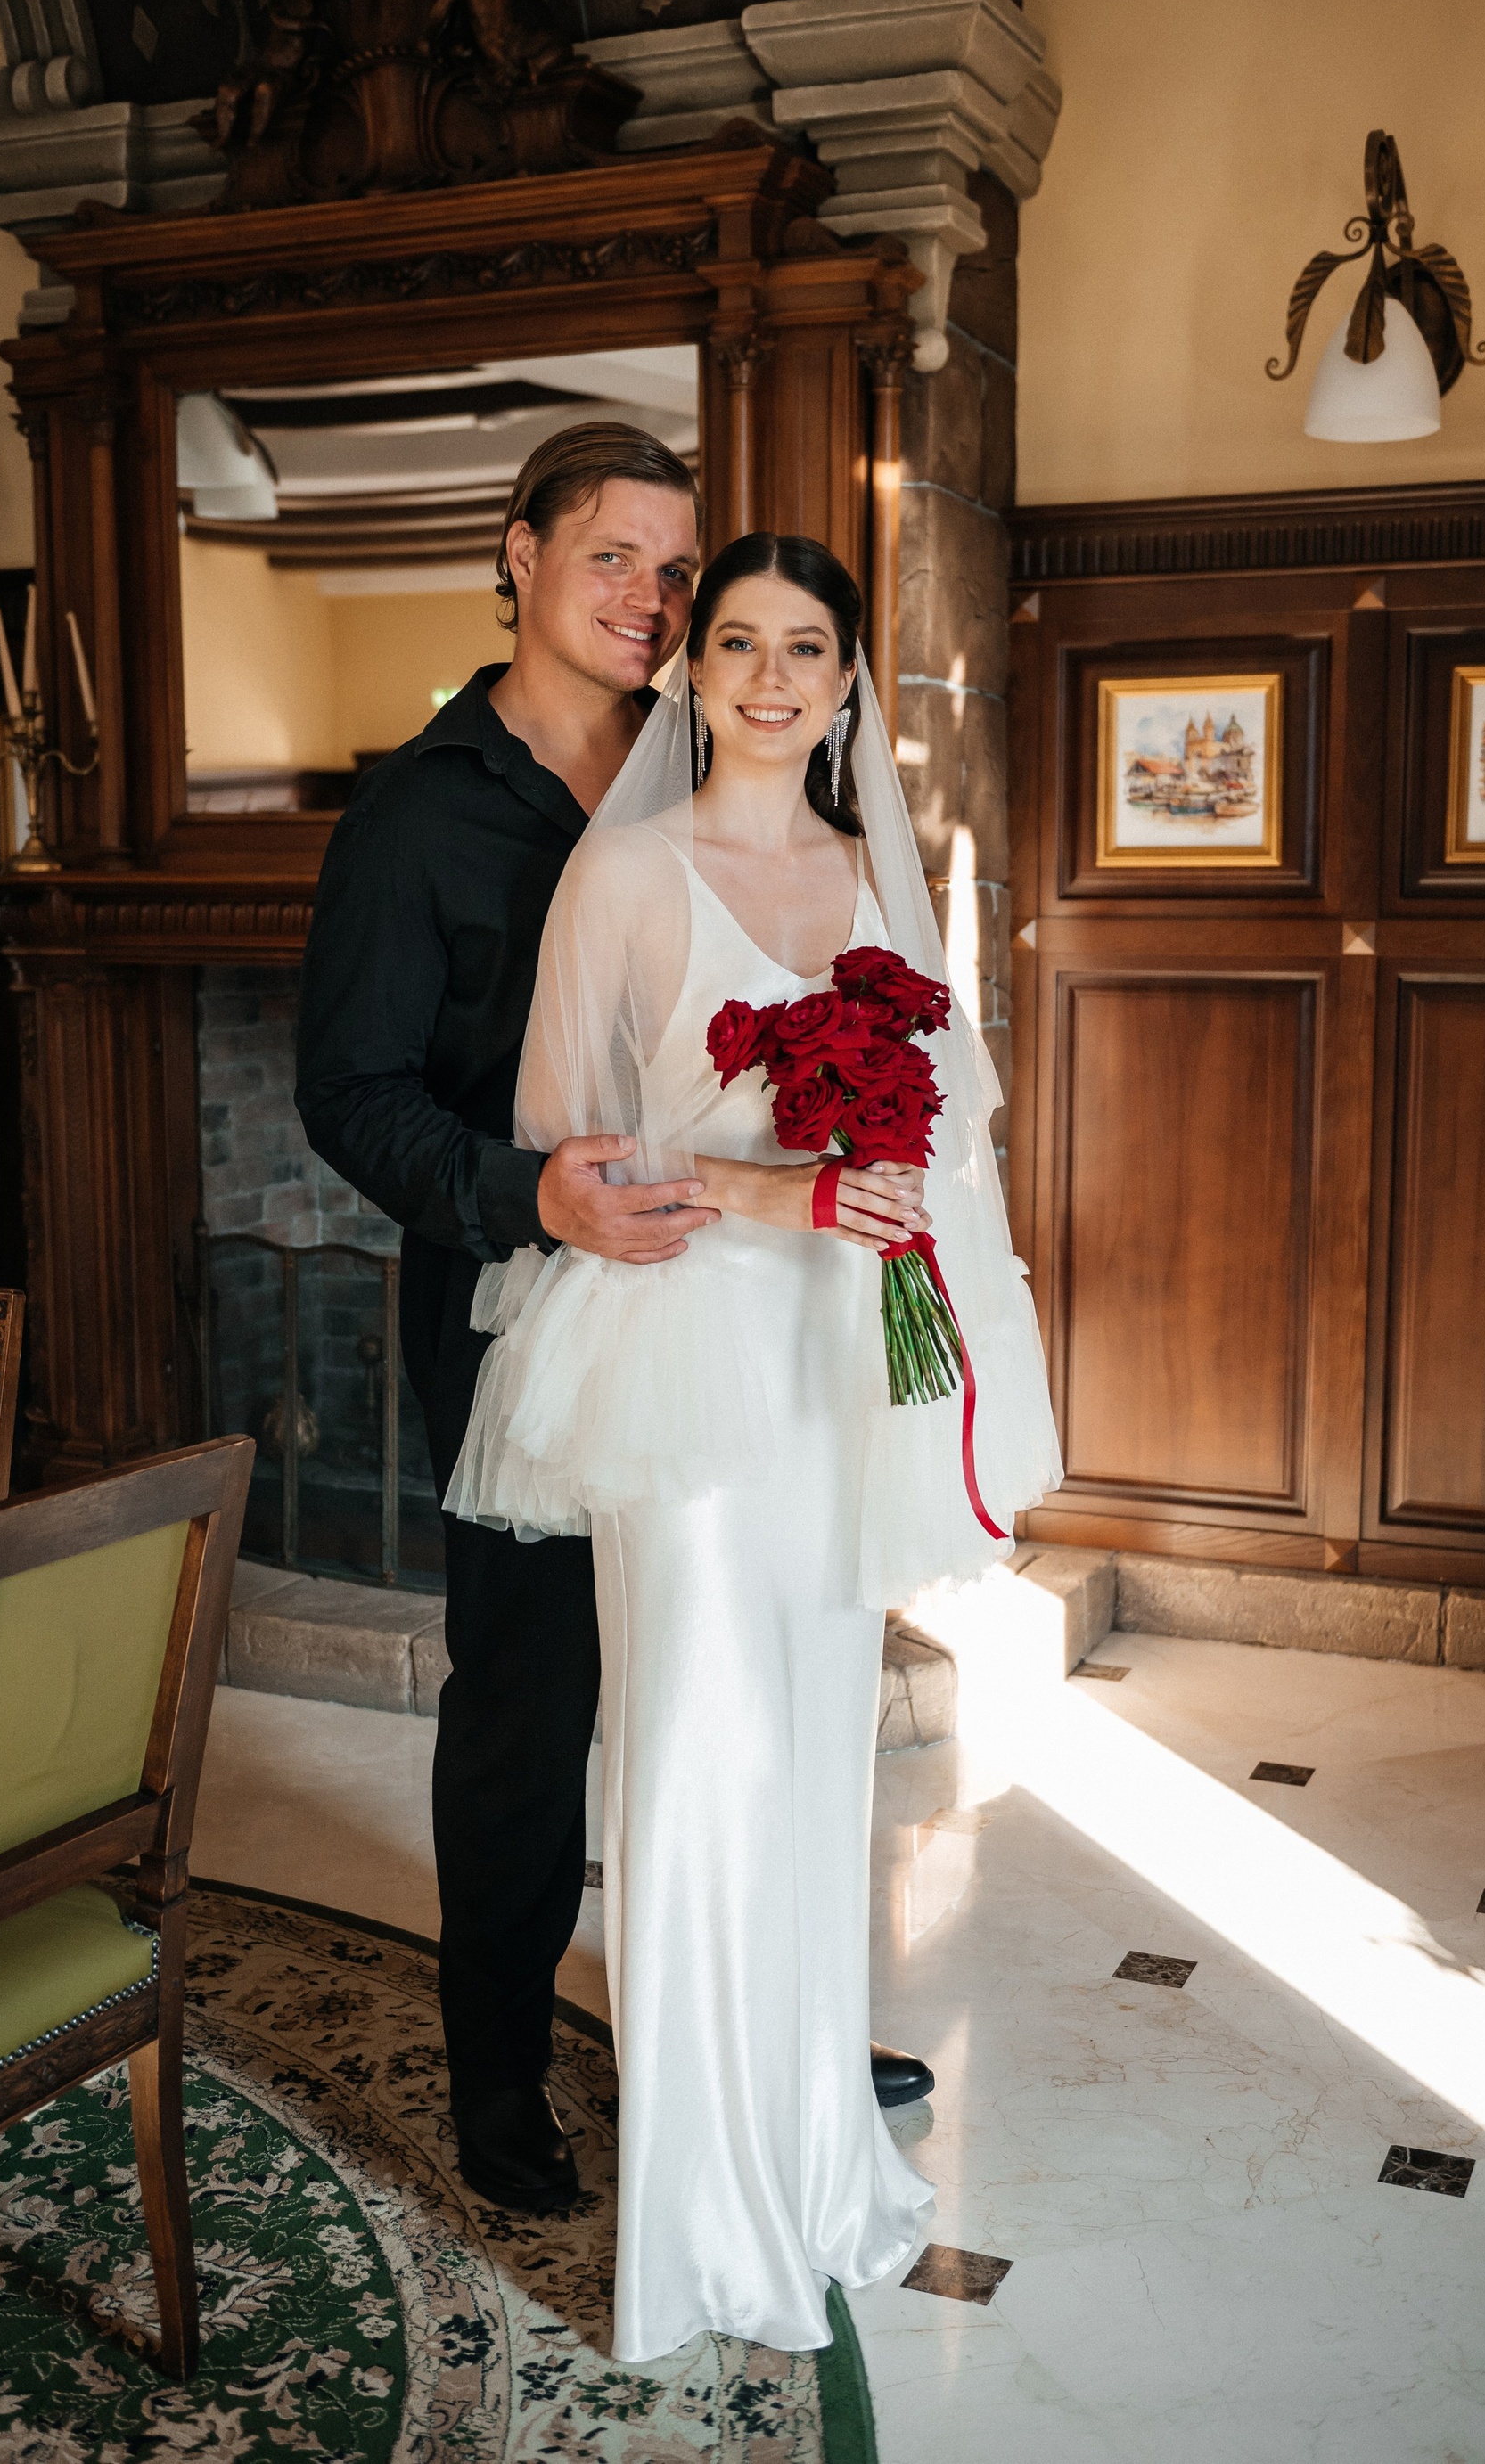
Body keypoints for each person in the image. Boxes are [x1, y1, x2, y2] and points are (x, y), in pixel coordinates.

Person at [294, 428, 935, 2225]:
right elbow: (348, 1094)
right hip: (525, 1308)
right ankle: (501, 2072)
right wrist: (532, 1196)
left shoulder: (715, 758)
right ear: (519, 556)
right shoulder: (419, 813)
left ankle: (764, 2033)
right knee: (531, 1691)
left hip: (745, 1302)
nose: (651, 598)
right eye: (612, 558)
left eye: (675, 569)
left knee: (743, 1676)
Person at [447, 533, 1062, 2361]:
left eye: (808, 647)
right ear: (694, 672)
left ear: (849, 679)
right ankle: (701, 2221)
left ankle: (804, 2161)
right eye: (738, 643)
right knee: (699, 1762)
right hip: (686, 1362)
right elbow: (560, 1147)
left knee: (809, 1763)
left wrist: (912, 1247)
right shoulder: (626, 873)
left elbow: (945, 1141)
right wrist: (765, 1188)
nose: (773, 677)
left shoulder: (876, 876)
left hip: (831, 1367)